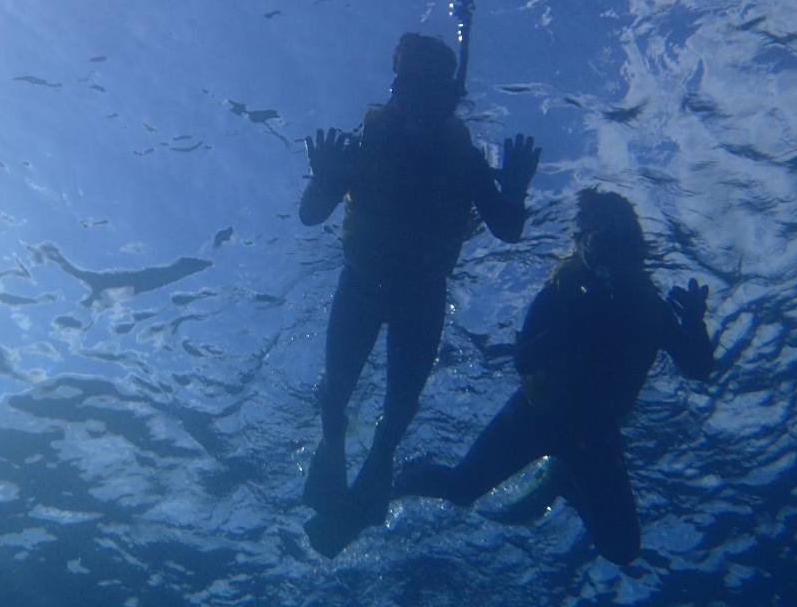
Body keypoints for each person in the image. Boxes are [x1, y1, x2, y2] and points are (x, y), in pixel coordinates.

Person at [300, 32, 541, 555]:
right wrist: (322, 179)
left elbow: (506, 228)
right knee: (337, 393)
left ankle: (374, 468)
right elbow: (311, 214)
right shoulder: (367, 145)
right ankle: (334, 447)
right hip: (364, 284)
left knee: (399, 407)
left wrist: (515, 189)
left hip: (420, 294)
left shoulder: (464, 159)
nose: (414, 101)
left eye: (428, 90)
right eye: (406, 86)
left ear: (448, 98)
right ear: (395, 89)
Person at [394, 188, 715, 565]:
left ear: (636, 250)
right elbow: (524, 361)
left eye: (621, 245)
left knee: (623, 549)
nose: (611, 261)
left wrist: (694, 324)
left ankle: (563, 479)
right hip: (536, 415)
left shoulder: (650, 309)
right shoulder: (562, 294)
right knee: (462, 487)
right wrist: (571, 323)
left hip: (595, 435)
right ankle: (395, 480)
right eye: (600, 244)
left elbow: (698, 368)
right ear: (584, 250)